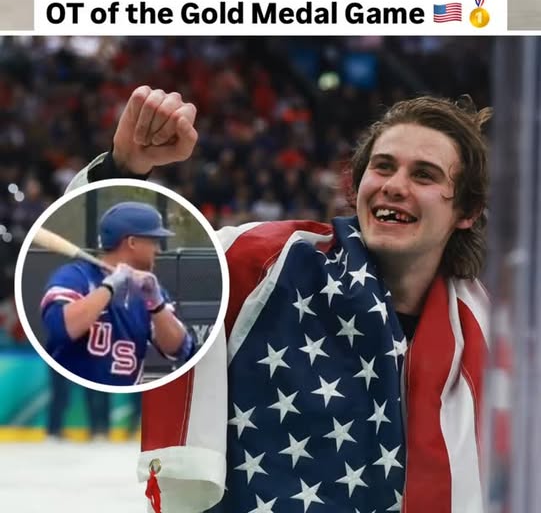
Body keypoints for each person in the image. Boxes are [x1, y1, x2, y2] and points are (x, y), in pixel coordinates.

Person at [135, 94, 490, 513]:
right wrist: (124, 170)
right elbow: (114, 284)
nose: (394, 186)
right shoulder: (262, 265)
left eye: (424, 175)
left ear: (466, 211)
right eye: (383, 166)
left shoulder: (486, 338)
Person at [41, 197, 196, 386]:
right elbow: (61, 328)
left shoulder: (149, 291)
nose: (158, 250)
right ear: (132, 242)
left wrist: (156, 305)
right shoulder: (76, 276)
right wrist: (109, 286)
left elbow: (179, 348)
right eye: (154, 241)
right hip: (72, 397)